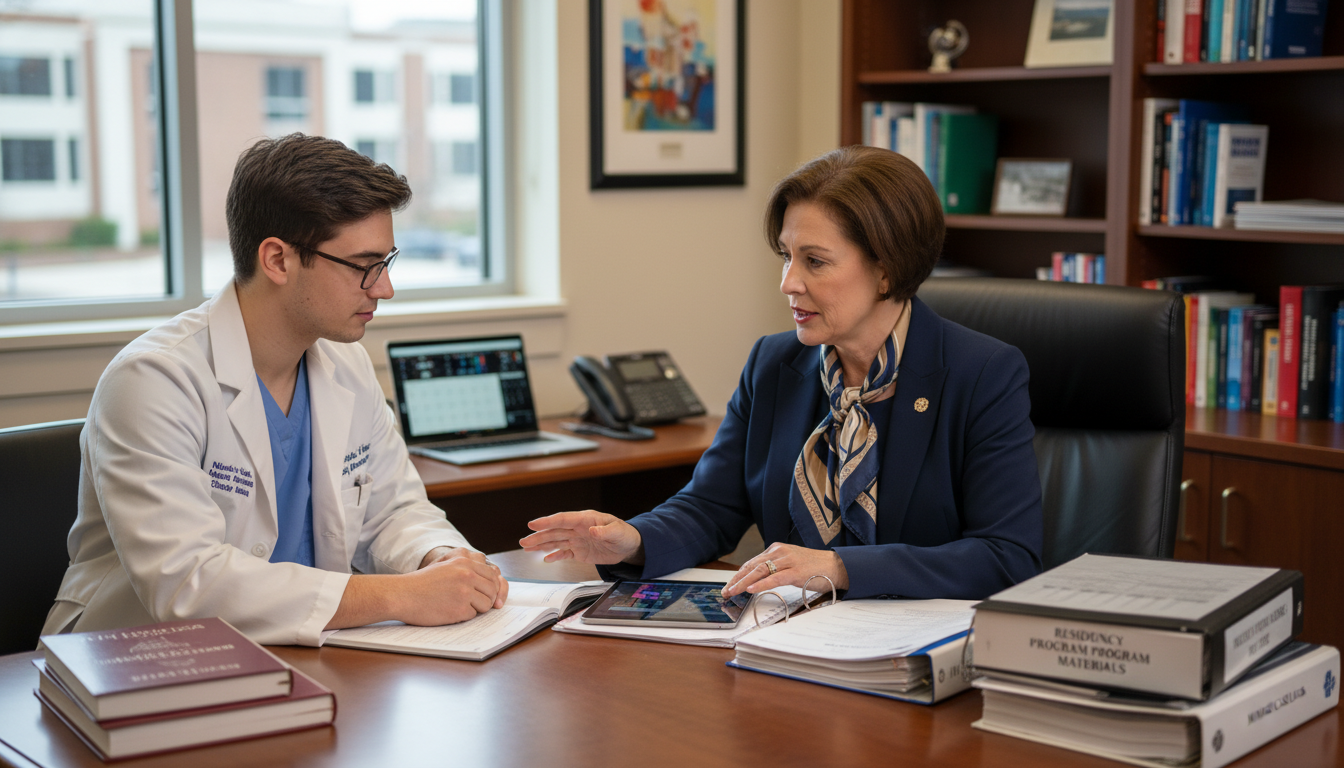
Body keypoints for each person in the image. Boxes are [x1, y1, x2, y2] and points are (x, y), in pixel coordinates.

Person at [42, 134, 507, 646]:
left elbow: (395, 510)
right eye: (363, 266)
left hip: (292, 651)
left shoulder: (344, 363)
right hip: (134, 660)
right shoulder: (153, 380)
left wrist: (437, 559)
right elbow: (188, 584)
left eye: (386, 262)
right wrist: (400, 597)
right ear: (278, 260)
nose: (384, 288)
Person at [521, 146, 1042, 600]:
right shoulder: (775, 364)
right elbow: (711, 505)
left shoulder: (982, 374)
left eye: (814, 261)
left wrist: (840, 568)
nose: (788, 283)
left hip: (910, 648)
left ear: (887, 269)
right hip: (785, 637)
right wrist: (633, 539)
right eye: (785, 257)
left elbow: (1006, 557)